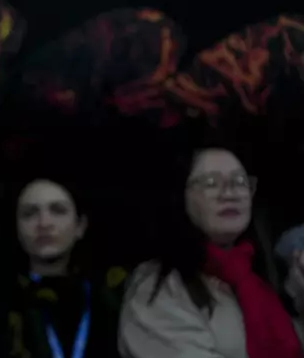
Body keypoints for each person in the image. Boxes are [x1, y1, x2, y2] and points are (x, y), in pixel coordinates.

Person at [119, 145, 304, 358]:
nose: (230, 193)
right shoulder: (157, 286)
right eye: (210, 183)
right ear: (180, 196)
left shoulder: (261, 276)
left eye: (241, 181)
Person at [0, 175, 124, 358]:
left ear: (80, 226)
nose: (44, 223)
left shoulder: (109, 294)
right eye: (29, 213)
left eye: (58, 210)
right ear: (17, 228)